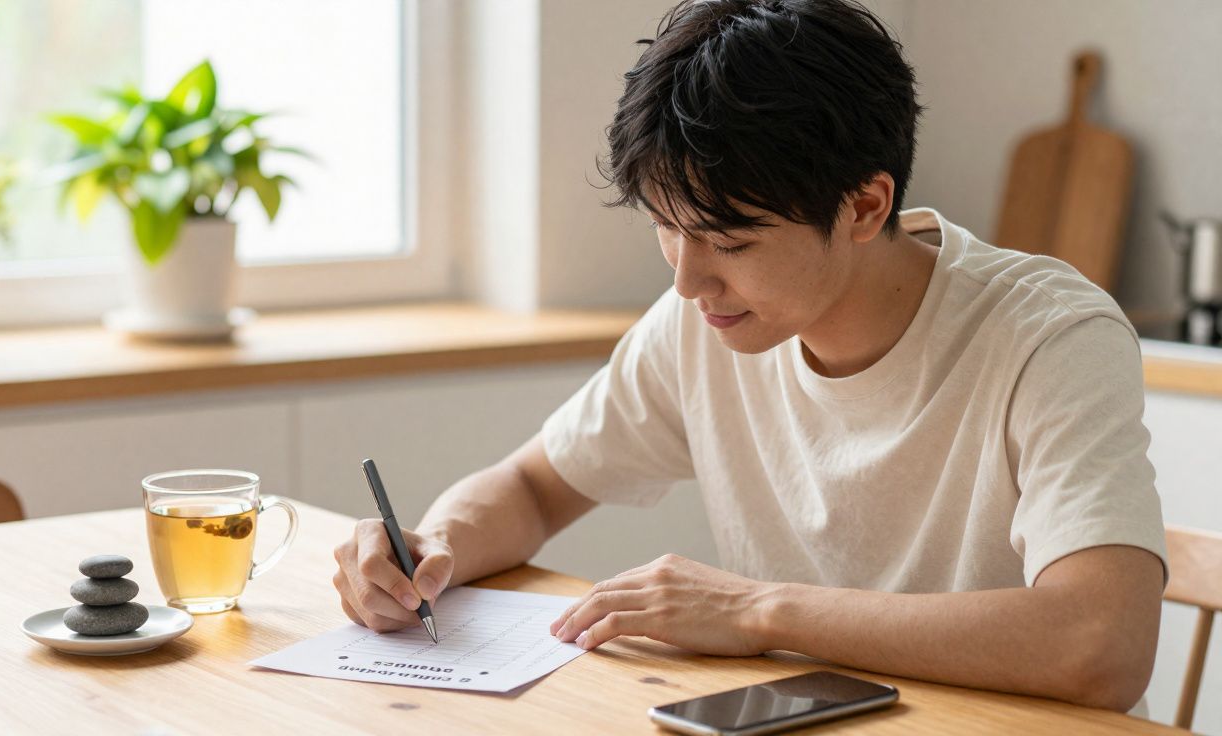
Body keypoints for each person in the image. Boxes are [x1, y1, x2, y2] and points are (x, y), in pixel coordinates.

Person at [332, 0, 1167, 712]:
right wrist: (427, 554)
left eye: (729, 241)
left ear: (864, 206)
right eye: (666, 227)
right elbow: (532, 487)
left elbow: (1103, 643)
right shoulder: (703, 320)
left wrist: (758, 611)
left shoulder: (1049, 337)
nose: (688, 280)